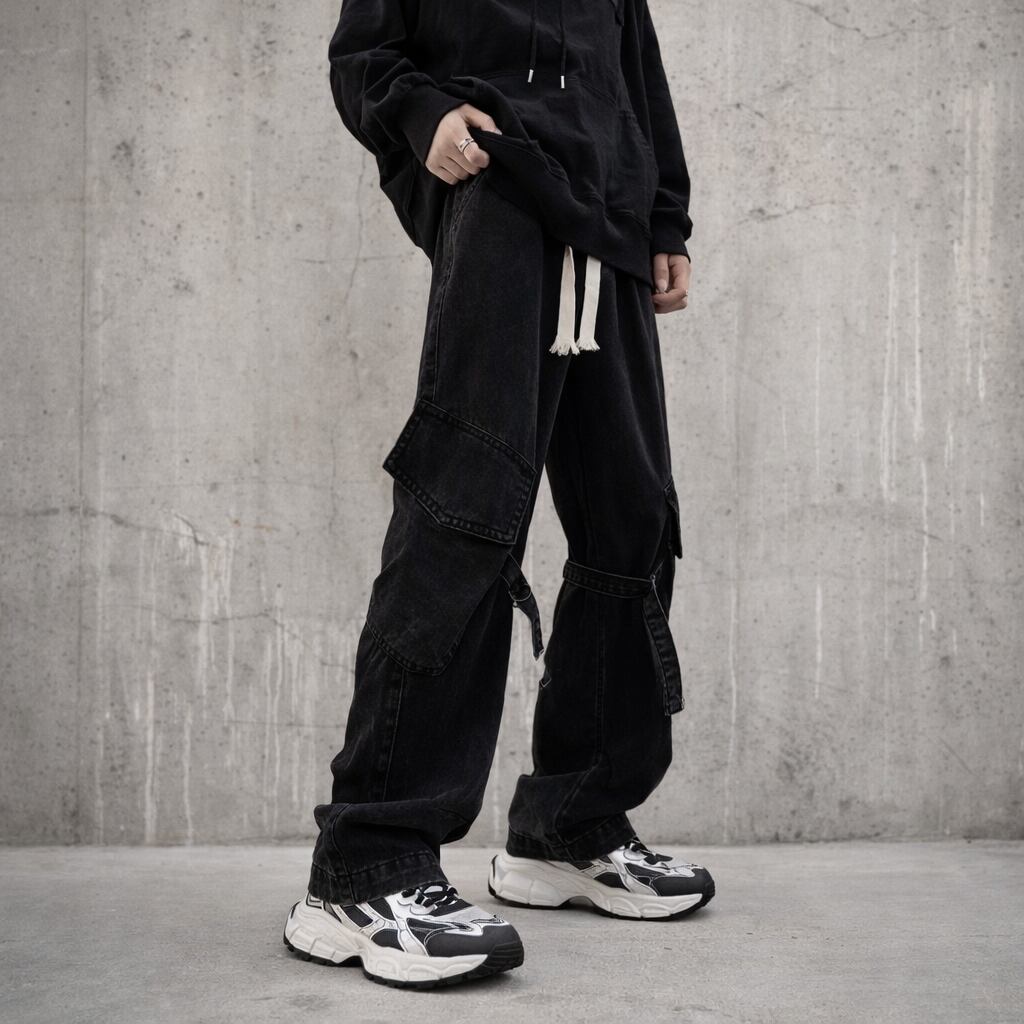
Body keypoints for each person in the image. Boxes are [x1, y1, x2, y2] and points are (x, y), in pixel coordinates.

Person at [282, 0, 715, 989]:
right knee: (464, 511)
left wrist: (665, 217)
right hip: (505, 201)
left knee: (633, 524)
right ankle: (366, 864)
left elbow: (636, 74)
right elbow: (364, 53)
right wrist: (423, 113)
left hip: (610, 225)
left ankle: (568, 823)